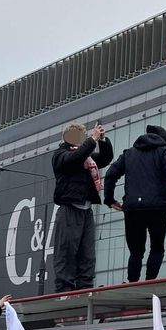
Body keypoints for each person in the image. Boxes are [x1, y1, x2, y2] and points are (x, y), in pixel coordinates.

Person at [104, 124, 166, 281]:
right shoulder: (164, 151)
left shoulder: (129, 153)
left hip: (133, 209)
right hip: (158, 208)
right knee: (157, 248)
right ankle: (149, 282)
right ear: (163, 140)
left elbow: (111, 174)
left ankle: (132, 284)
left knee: (136, 252)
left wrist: (109, 199)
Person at [52, 121, 113, 292]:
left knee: (87, 254)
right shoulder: (61, 155)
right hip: (69, 208)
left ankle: (85, 289)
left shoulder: (87, 158)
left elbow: (105, 158)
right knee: (66, 253)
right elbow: (75, 157)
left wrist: (102, 140)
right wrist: (92, 140)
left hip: (86, 210)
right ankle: (64, 290)